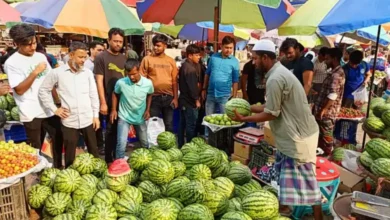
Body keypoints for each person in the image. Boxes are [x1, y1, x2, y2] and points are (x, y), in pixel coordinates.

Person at [232, 40, 322, 220]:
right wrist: (248, 107)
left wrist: (245, 119)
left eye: (256, 58)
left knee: (308, 182)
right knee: (284, 177)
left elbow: (271, 113)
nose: (254, 62)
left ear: (266, 58)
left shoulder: (275, 78)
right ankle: (284, 209)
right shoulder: (279, 72)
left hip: (298, 138)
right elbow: (270, 105)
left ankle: (317, 217)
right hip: (293, 135)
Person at [4, 24, 63, 168]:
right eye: (28, 45)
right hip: (30, 110)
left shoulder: (40, 56)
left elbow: (50, 81)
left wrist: (57, 102)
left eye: (34, 42)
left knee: (58, 137)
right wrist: (35, 72)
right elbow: (19, 90)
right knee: (36, 146)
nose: (32, 47)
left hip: (49, 108)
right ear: (16, 44)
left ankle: (57, 167)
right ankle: (39, 173)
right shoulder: (11, 63)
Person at [39, 42, 100, 167]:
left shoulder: (87, 73)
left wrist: (95, 115)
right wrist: (54, 109)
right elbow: (43, 90)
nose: (83, 60)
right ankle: (70, 176)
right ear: (71, 55)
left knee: (94, 151)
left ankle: (97, 175)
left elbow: (93, 95)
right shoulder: (57, 73)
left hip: (88, 118)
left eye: (85, 57)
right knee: (69, 154)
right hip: (69, 120)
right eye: (80, 57)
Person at [94, 28, 127, 163]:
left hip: (124, 100)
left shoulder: (125, 57)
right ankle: (109, 158)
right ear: (108, 41)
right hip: (108, 99)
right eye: (115, 41)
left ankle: (118, 156)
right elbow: (99, 81)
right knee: (110, 129)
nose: (118, 44)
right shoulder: (101, 57)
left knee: (122, 130)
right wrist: (103, 102)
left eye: (120, 41)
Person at [110, 59, 153, 158]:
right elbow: (115, 94)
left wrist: (147, 110)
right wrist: (113, 109)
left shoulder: (148, 83)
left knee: (144, 142)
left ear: (139, 70)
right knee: (121, 143)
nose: (132, 77)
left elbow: (150, 94)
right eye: (129, 75)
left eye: (134, 74)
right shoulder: (121, 83)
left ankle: (146, 161)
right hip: (124, 116)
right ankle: (119, 164)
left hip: (140, 116)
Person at [140, 34, 178, 132]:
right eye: (154, 45)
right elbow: (142, 81)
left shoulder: (171, 61)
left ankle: (170, 146)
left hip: (168, 98)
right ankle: (154, 146)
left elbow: (174, 81)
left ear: (165, 46)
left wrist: (175, 98)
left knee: (169, 124)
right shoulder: (147, 59)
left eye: (158, 45)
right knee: (154, 125)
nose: (155, 48)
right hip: (152, 98)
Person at [313, 48, 345, 156]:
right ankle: (321, 154)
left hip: (328, 113)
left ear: (334, 59)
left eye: (327, 59)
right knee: (322, 135)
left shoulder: (336, 75)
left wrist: (323, 110)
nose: (325, 61)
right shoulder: (334, 72)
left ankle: (326, 156)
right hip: (324, 110)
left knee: (326, 136)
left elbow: (333, 95)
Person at [202, 36, 239, 125]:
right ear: (221, 46)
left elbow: (235, 80)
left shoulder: (234, 61)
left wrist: (234, 96)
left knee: (225, 122)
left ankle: (223, 139)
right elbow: (207, 73)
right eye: (226, 47)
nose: (228, 50)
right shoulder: (213, 57)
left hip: (224, 97)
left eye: (231, 48)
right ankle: (208, 138)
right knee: (208, 121)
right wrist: (204, 89)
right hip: (210, 94)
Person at [178, 44, 202, 147]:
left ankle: (180, 145)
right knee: (190, 125)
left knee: (182, 124)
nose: (199, 57)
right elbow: (192, 87)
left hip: (183, 100)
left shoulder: (185, 65)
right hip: (189, 101)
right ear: (190, 56)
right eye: (196, 55)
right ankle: (189, 146)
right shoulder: (190, 69)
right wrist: (197, 100)